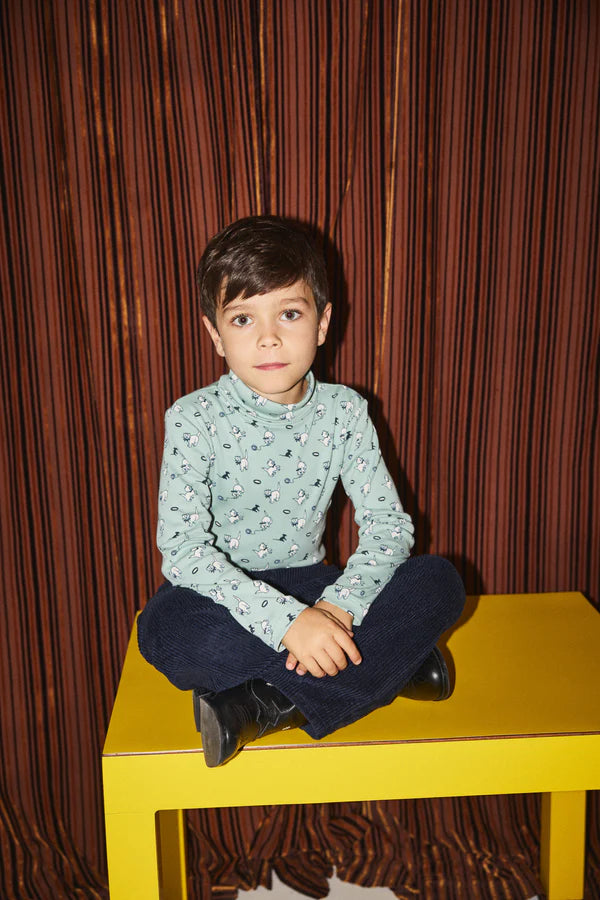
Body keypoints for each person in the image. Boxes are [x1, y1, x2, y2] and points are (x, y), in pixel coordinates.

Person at [137, 215, 466, 767]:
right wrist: (287, 624)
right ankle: (389, 669)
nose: (268, 337)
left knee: (440, 581)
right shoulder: (193, 419)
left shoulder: (345, 412)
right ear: (215, 335)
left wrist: (336, 608)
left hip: (319, 589)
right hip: (225, 597)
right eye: (243, 319)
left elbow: (388, 528)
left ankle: (264, 704)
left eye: (289, 313)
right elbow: (183, 551)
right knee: (163, 631)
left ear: (322, 323)